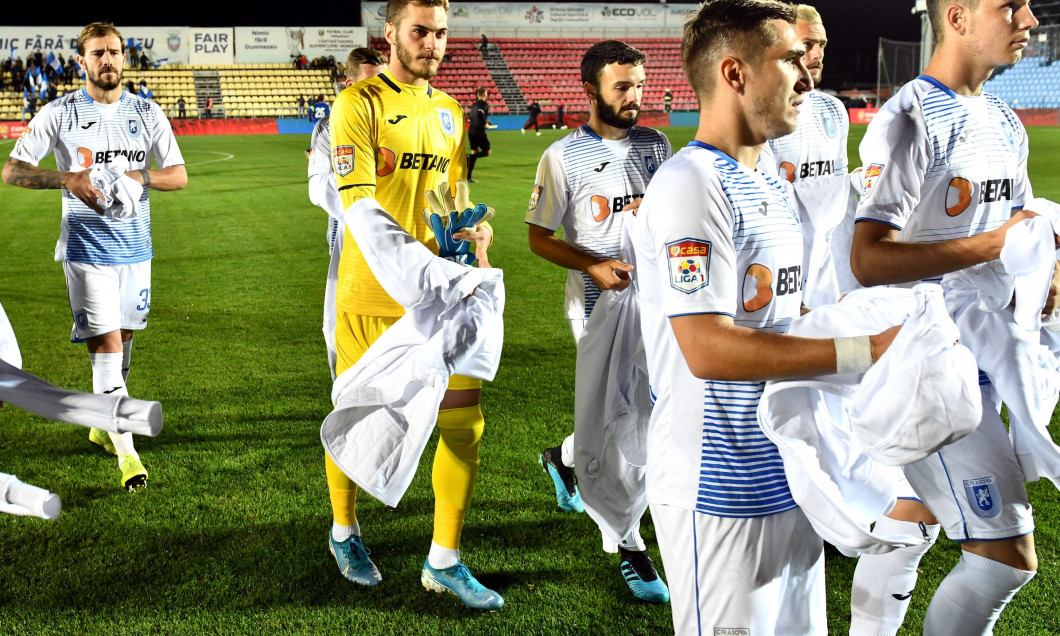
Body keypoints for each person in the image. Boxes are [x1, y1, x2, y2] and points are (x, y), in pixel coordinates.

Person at [629, 1, 900, 632]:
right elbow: (708, 348)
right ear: (735, 74)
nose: (807, 75)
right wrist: (863, 352)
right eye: (789, 60)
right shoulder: (690, 183)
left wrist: (880, 331)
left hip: (786, 475)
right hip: (717, 487)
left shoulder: (774, 187)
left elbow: (784, 317)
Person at [848, 2, 1048, 634]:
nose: (1029, 19)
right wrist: (994, 247)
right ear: (958, 17)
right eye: (1009, 6)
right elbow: (867, 258)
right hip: (922, 361)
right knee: (1004, 559)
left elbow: (1016, 226)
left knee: (916, 515)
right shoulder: (910, 119)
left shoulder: (1003, 118)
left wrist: (1045, 271)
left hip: (983, 346)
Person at [326, 0, 500, 610]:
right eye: (420, 31)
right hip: (373, 295)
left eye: (442, 33)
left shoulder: (451, 113)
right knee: (358, 416)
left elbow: (454, 197)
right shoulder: (358, 104)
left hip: (442, 294)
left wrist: (470, 234)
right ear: (391, 33)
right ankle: (344, 532)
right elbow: (359, 207)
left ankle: (444, 559)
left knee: (463, 424)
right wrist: (422, 269)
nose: (432, 42)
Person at [1, 21, 187, 492]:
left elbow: (179, 175)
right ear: (81, 61)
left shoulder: (148, 113)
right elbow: (12, 171)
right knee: (105, 351)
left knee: (122, 344)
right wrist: (68, 179)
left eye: (115, 52)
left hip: (137, 251)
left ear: (125, 58)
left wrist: (137, 178)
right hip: (85, 251)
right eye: (98, 53)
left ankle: (102, 422)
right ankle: (127, 455)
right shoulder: (58, 113)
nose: (108, 60)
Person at [527, 39, 673, 604]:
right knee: (625, 416)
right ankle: (630, 545)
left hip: (656, 303)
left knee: (642, 411)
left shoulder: (658, 147)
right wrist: (593, 264)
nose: (635, 97)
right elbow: (538, 238)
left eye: (639, 85)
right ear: (590, 90)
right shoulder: (561, 158)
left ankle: (562, 459)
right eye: (622, 87)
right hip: (596, 306)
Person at [307, 46, 387, 379]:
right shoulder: (329, 128)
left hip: (396, 241)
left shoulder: (396, 123)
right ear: (349, 84)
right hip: (348, 242)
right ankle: (346, 405)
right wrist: (368, 198)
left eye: (381, 84)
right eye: (369, 85)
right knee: (335, 331)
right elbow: (318, 187)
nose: (376, 93)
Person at [767, 4, 850, 309]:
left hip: (825, 268)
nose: (817, 55)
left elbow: (839, 198)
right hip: (777, 266)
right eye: (807, 45)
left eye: (822, 45)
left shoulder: (834, 110)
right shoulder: (766, 115)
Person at [466, 87, 492, 183]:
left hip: (471, 130)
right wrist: (484, 124)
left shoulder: (473, 105)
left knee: (475, 152)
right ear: (485, 95)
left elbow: (470, 119)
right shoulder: (483, 104)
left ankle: (467, 177)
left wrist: (485, 122)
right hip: (479, 131)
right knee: (487, 151)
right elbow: (480, 113)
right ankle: (468, 157)